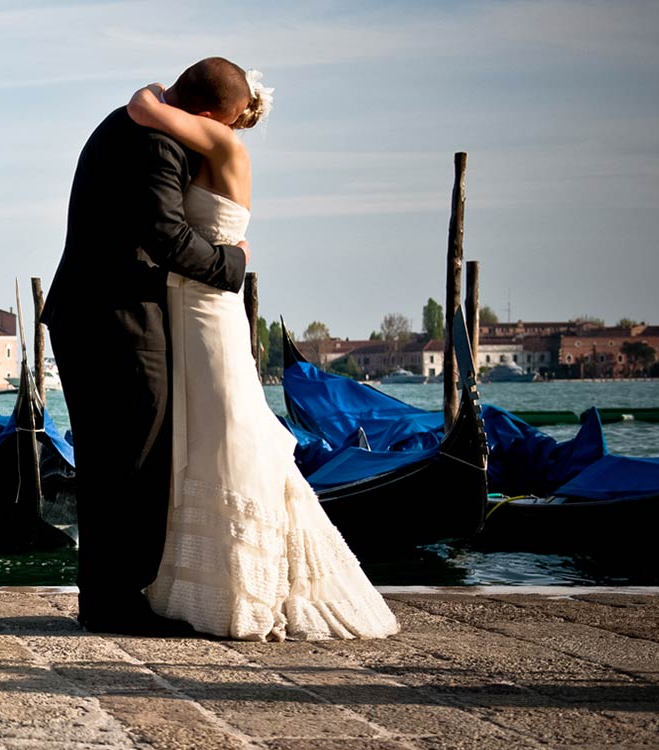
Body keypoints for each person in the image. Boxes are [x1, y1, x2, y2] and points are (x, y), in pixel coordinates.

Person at [124, 64, 398, 641]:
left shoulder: (221, 141)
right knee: (198, 435)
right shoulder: (215, 140)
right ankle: (192, 581)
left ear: (210, 114)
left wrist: (155, 88)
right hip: (187, 305)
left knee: (228, 428)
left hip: (204, 309)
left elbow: (142, 107)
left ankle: (243, 587)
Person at [47, 57, 251, 636]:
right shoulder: (156, 144)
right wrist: (230, 264)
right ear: (208, 115)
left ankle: (107, 598)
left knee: (114, 455)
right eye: (225, 125)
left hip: (96, 313)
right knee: (135, 454)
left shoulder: (128, 123)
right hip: (116, 318)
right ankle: (118, 603)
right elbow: (163, 235)